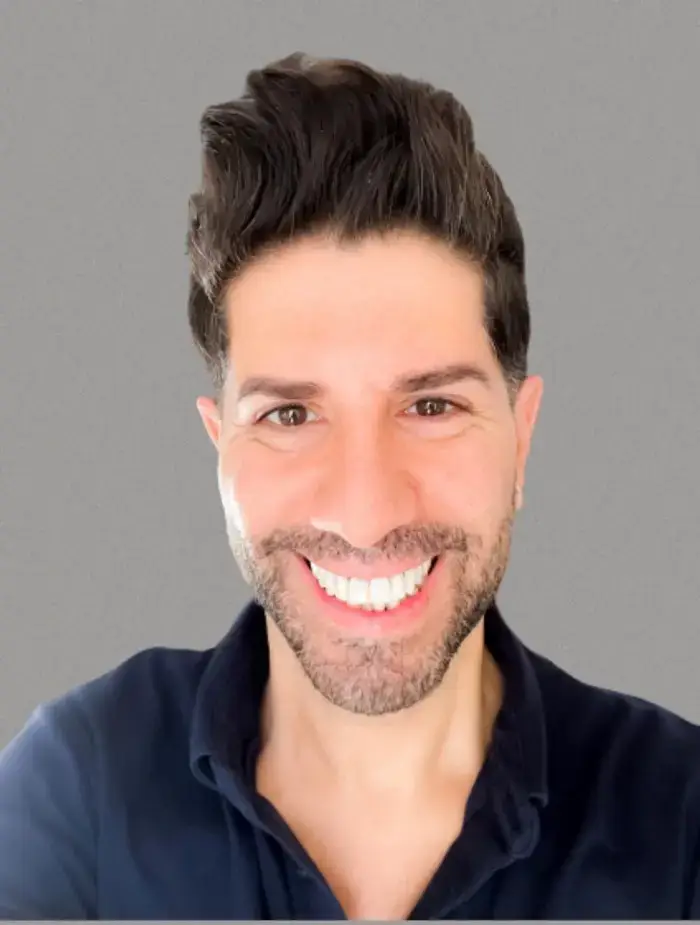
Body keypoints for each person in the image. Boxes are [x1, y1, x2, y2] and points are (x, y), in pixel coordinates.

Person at [1, 51, 699, 921]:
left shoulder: (682, 818)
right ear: (221, 449)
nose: (366, 512)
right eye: (290, 417)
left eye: (432, 404)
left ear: (521, 439)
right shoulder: (79, 788)